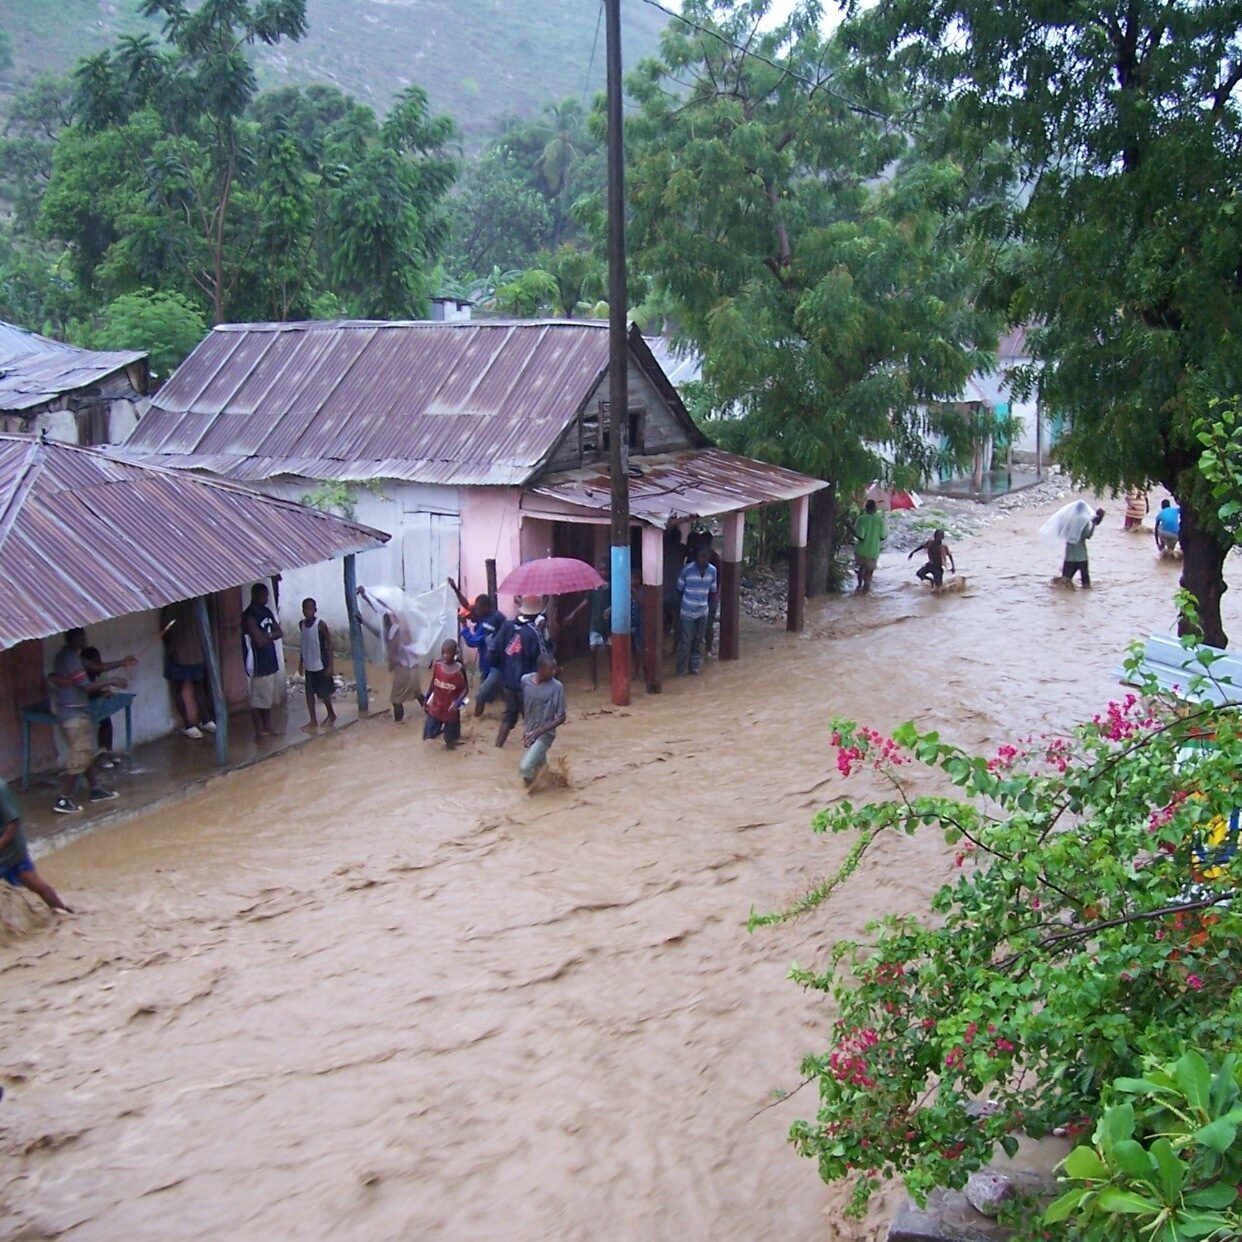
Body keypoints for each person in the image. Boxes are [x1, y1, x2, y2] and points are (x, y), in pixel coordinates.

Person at [50, 628, 131, 814]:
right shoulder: (70, 658)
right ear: (75, 638)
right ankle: (62, 799)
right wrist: (112, 682)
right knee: (80, 755)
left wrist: (122, 663)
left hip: (74, 711)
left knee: (84, 752)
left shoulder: (70, 655)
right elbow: (86, 686)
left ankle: (95, 790)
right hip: (72, 713)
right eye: (82, 636)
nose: (85, 638)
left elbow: (97, 667)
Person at [356, 586, 425, 723]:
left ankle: (399, 725)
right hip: (413, 666)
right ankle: (432, 712)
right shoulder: (396, 623)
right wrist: (366, 597)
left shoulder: (394, 630)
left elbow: (392, 648)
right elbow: (381, 628)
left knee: (396, 698)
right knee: (416, 692)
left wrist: (391, 664)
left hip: (404, 668)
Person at [1, 779, 71, 911]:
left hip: (12, 854)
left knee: (38, 887)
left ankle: (64, 912)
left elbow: (13, 824)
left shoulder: (1, 789)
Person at [492, 595, 552, 748]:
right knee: (532, 720)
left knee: (509, 716)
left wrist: (502, 669)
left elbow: (493, 650)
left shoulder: (507, 625)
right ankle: (534, 755)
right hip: (527, 685)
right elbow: (545, 658)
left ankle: (498, 747)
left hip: (507, 682)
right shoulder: (535, 632)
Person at [450, 581, 507, 718]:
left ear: (486, 607)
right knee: (503, 692)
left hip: (497, 664)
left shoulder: (491, 622)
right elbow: (467, 606)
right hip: (487, 662)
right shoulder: (486, 615)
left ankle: (476, 721)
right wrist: (455, 589)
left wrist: (464, 626)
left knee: (481, 695)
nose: (475, 611)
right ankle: (512, 713)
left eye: (478, 608)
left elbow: (473, 642)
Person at [161, 601, 216, 740]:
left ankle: (189, 726)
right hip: (197, 652)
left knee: (178, 689)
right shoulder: (197, 602)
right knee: (199, 688)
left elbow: (166, 630)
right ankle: (206, 720)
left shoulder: (171, 606)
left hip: (179, 653)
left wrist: (170, 647)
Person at [242, 582, 284, 740]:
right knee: (257, 700)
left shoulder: (266, 611)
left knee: (267, 699)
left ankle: (267, 727)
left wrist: (268, 636)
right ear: (254, 596)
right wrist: (269, 636)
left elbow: (279, 632)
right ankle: (258, 732)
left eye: (267, 596)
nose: (266, 599)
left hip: (269, 660)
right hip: (257, 662)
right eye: (263, 596)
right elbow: (258, 641)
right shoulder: (249, 616)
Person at [519, 653, 567, 787]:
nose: (554, 671)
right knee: (540, 768)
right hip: (529, 732)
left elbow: (562, 716)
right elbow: (525, 703)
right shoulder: (525, 680)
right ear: (540, 669)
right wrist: (527, 727)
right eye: (551, 669)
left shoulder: (557, 687)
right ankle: (556, 785)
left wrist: (539, 731)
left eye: (555, 668)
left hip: (545, 734)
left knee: (525, 767)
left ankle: (528, 793)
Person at [676, 541, 718, 676]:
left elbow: (713, 591)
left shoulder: (713, 571)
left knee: (698, 640)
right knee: (686, 641)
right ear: (696, 557)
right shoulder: (687, 570)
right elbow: (679, 590)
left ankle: (694, 668)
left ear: (709, 557)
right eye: (701, 557)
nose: (703, 560)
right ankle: (681, 670)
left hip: (703, 611)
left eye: (706, 557)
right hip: (687, 611)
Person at [298, 598, 336, 729]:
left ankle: (331, 714)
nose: (307, 612)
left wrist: (330, 665)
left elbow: (329, 644)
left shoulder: (320, 625)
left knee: (324, 693)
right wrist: (301, 662)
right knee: (309, 694)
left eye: (310, 609)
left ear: (315, 610)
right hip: (309, 665)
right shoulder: (301, 625)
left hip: (321, 664)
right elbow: (303, 644)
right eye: (305, 609)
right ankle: (313, 720)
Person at [423, 638, 468, 749]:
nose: (444, 656)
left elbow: (465, 689)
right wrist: (427, 698)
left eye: (447, 653)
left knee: (450, 742)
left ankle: (450, 735)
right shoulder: (438, 665)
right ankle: (441, 730)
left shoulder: (459, 670)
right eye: (443, 653)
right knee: (427, 735)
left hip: (450, 710)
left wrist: (458, 702)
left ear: (454, 653)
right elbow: (433, 683)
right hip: (436, 707)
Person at [1061, 506, 1106, 587]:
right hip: (1082, 558)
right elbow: (1088, 536)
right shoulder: (1083, 523)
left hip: (1069, 558)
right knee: (1086, 585)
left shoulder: (1067, 523)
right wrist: (1093, 524)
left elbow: (1062, 533)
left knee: (1064, 583)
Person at [852, 499, 887, 594]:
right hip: (873, 552)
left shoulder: (861, 519)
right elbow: (883, 536)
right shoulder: (880, 520)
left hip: (861, 551)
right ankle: (866, 593)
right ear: (875, 509)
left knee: (860, 569)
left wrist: (851, 528)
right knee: (869, 574)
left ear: (866, 508)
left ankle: (859, 585)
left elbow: (860, 536)